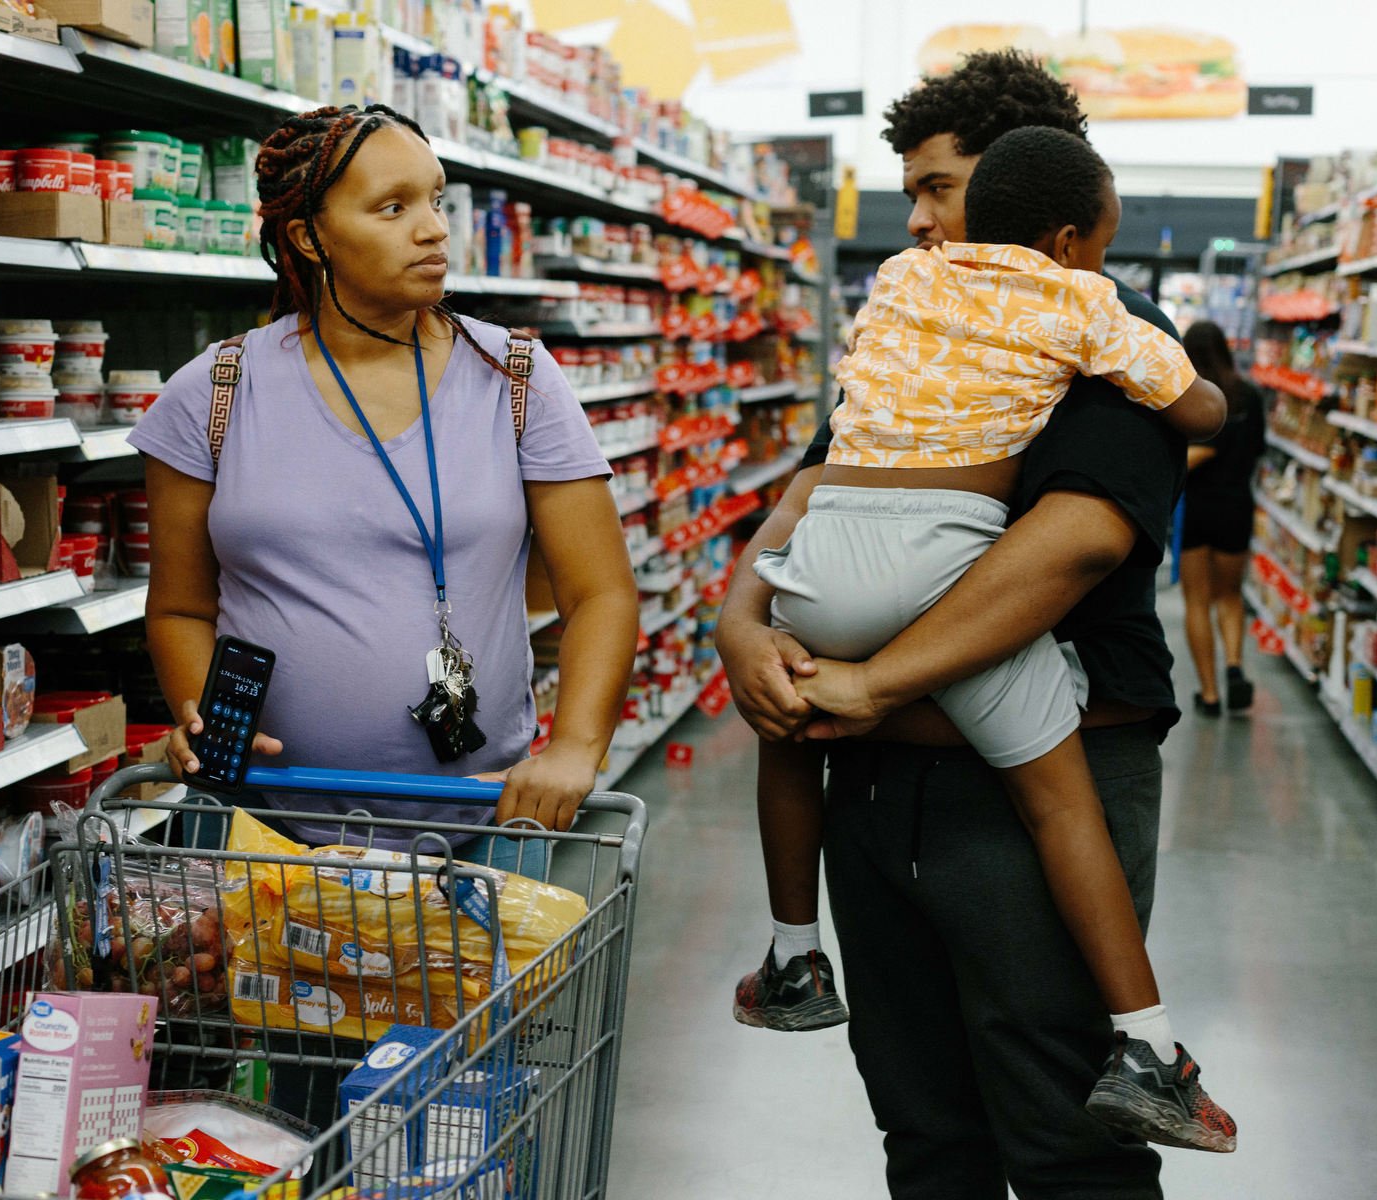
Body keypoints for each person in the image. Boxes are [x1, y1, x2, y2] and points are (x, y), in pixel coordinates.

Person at [715, 52, 1206, 1197]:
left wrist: (872, 680)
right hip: (878, 790)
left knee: (1061, 1126)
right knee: (922, 1121)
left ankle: (1148, 1046)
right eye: (915, 195)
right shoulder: (923, 312)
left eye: (941, 189)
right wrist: (743, 617)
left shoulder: (1105, 324)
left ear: (1040, 194)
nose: (922, 221)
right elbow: (823, 486)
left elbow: (1074, 541)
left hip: (1024, 795)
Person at [130, 104, 640, 867]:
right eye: (393, 208)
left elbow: (601, 592)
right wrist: (206, 718)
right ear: (310, 237)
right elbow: (178, 606)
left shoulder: (517, 379)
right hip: (264, 825)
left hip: (485, 818)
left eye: (436, 198)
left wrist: (573, 748)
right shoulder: (216, 390)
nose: (434, 228)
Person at [1178, 319, 1267, 715]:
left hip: (1199, 508)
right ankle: (1234, 664)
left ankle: (1210, 694)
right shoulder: (1249, 395)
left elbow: (1198, 454)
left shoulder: (1197, 398)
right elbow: (1258, 449)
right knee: (1230, 596)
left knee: (1197, 601)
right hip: (1237, 506)